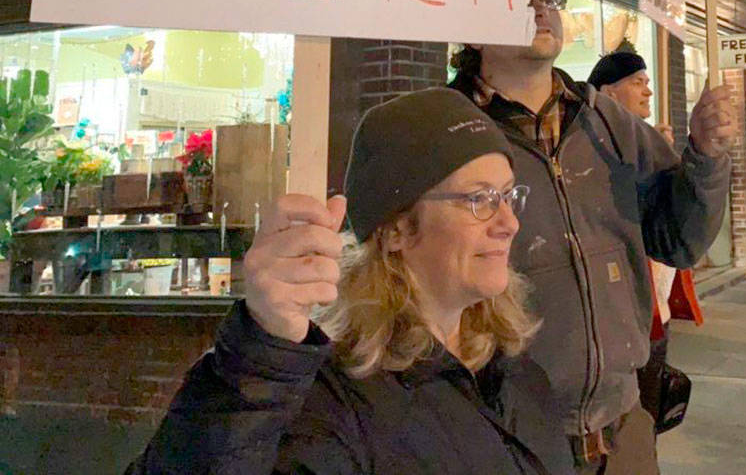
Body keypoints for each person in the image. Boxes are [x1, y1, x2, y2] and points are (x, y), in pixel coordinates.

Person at [127, 88, 574, 475]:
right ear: (396, 229)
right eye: (480, 200)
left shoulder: (516, 372)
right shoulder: (336, 403)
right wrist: (260, 353)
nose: (510, 223)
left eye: (509, 195)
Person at [449, 0, 733, 474]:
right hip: (504, 438)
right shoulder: (449, 129)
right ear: (473, 28)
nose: (543, 9)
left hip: (622, 430)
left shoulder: (608, 122)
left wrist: (705, 157)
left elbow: (679, 241)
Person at [585, 50, 703, 435]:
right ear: (607, 93)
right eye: (637, 82)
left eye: (648, 81)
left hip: (656, 313)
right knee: (628, 426)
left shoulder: (649, 145)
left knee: (645, 423)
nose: (648, 91)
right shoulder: (601, 154)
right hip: (626, 315)